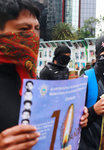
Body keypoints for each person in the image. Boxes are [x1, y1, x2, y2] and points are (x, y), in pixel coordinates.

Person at [0, 1, 87, 150]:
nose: (33, 36)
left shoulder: (31, 80)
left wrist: (75, 117)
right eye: (24, 29)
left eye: (37, 29)